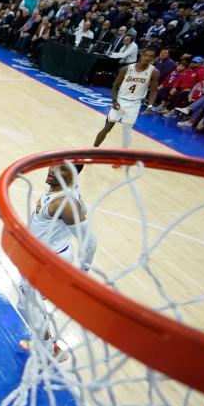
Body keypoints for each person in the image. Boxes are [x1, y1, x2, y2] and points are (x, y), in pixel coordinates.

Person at [18, 163, 96, 361]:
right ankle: (45, 344)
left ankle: (50, 350)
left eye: (62, 168)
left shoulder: (66, 203)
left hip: (48, 261)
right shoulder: (64, 192)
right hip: (46, 256)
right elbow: (83, 211)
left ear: (74, 174)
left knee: (26, 304)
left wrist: (83, 273)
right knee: (32, 302)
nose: (52, 170)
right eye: (54, 165)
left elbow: (89, 242)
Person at [93, 48, 159, 147]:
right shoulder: (126, 69)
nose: (147, 58)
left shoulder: (154, 72)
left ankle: (123, 157)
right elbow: (115, 87)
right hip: (120, 101)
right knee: (107, 127)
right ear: (141, 55)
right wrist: (114, 101)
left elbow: (153, 90)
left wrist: (150, 105)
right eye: (146, 55)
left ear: (153, 59)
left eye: (151, 56)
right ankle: (94, 150)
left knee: (126, 131)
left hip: (135, 104)